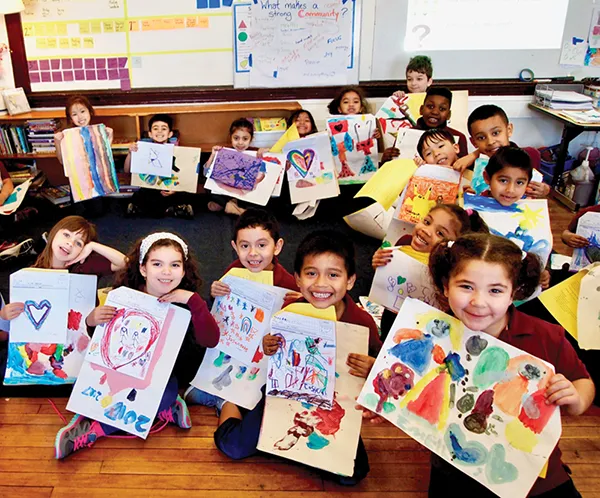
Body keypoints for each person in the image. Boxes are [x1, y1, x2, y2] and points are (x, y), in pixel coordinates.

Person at [425, 233, 594, 497]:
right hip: (456, 467)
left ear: (514, 292)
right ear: (446, 286)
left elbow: (583, 381)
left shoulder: (545, 335)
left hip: (536, 475)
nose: (478, 301)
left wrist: (576, 399)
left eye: (495, 290)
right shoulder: (430, 334)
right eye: (466, 286)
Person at [212, 230, 379, 485]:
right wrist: (269, 345)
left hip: (333, 404)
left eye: (333, 275)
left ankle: (292, 445)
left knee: (353, 474)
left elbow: (384, 373)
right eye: (311, 273)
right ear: (298, 279)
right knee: (232, 446)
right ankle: (229, 402)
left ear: (350, 281)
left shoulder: (362, 323)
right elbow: (273, 353)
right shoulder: (290, 311)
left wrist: (373, 367)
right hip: (284, 395)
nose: (321, 284)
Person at [54, 232, 220, 459]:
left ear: (183, 270)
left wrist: (193, 301)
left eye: (174, 265)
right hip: (117, 371)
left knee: (152, 398)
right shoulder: (124, 297)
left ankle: (93, 431)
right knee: (90, 389)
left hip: (161, 378)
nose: (166, 271)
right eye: (157, 264)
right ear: (143, 269)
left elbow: (210, 340)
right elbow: (101, 342)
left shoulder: (187, 302)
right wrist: (91, 320)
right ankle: (164, 409)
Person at [184, 208, 300, 406]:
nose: (253, 253)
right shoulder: (234, 272)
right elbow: (221, 314)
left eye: (262, 245)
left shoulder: (288, 284)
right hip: (234, 346)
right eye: (245, 246)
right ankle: (217, 391)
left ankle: (229, 400)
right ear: (235, 247)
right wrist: (215, 293)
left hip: (264, 357)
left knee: (254, 392)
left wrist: (300, 302)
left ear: (277, 246)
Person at [0, 216, 126, 383]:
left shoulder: (85, 267)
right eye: (66, 235)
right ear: (53, 234)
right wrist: (4, 315)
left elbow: (124, 263)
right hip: (44, 348)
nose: (70, 244)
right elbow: (17, 326)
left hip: (80, 345)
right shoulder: (30, 274)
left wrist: (93, 246)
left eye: (79, 243)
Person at [372, 204, 488, 342]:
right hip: (392, 316)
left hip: (426, 329)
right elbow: (387, 280)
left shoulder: (450, 270)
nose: (426, 231)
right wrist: (379, 264)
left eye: (440, 233)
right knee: (387, 339)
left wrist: (449, 302)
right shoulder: (404, 243)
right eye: (427, 222)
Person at [453, 104, 550, 199]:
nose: (490, 142)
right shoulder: (471, 165)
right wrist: (470, 195)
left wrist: (545, 190)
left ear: (509, 130)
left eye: (495, 133)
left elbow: (539, 183)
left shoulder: (529, 155)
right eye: (481, 138)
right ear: (474, 142)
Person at [124, 114, 194, 219]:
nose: (159, 131)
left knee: (185, 193)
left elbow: (182, 175)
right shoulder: (142, 150)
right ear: (150, 134)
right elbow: (127, 171)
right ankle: (172, 209)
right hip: (150, 188)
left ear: (170, 134)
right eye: (155, 128)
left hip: (169, 186)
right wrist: (130, 154)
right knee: (142, 195)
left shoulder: (177, 151)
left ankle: (168, 208)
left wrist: (174, 189)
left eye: (164, 128)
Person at [204, 118, 266, 216]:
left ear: (251, 139)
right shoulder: (223, 153)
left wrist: (263, 156)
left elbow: (263, 177)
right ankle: (234, 207)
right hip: (226, 192)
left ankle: (228, 207)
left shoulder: (255, 154)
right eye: (236, 138)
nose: (240, 143)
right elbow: (205, 173)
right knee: (210, 191)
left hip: (243, 194)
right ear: (230, 137)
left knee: (256, 200)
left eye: (245, 139)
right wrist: (213, 155)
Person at [54, 95, 114, 166]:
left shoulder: (99, 132)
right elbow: (62, 161)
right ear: (70, 119)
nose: (80, 117)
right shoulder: (68, 136)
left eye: (82, 111)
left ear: (90, 112)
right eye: (74, 114)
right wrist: (57, 142)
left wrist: (109, 138)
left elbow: (104, 157)